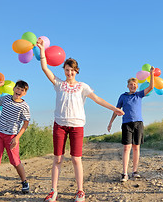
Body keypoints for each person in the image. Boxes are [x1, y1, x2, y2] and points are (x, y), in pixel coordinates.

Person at [36, 39, 125, 202]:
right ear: (64, 70)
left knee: (76, 159)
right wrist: (42, 50)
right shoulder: (59, 84)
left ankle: (80, 191)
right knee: (57, 158)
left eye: (71, 70)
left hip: (77, 126)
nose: (69, 73)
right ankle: (53, 191)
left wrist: (114, 108)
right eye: (66, 70)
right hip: (60, 125)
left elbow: (97, 99)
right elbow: (44, 68)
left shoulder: (83, 86)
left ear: (76, 71)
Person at [107, 66, 155, 182]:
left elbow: (151, 87)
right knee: (126, 148)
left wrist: (151, 73)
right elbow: (116, 109)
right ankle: (124, 173)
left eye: (135, 85)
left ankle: (134, 171)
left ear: (137, 86)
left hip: (138, 123)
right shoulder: (123, 96)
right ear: (127, 86)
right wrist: (110, 122)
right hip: (126, 124)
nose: (133, 86)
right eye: (131, 84)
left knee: (136, 147)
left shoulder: (139, 95)